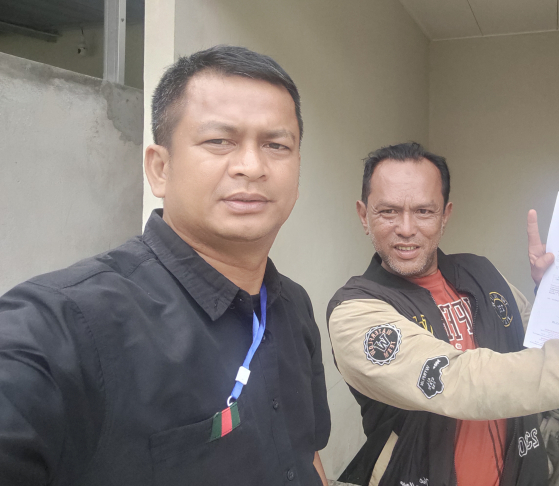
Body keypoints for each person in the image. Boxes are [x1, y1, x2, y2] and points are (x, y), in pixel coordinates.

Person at [0, 46, 330, 485]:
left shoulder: (294, 306)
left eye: (276, 145)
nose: (252, 166)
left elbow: (307, 453)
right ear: (159, 168)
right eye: (219, 141)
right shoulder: (60, 326)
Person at [327, 142, 559, 486]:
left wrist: (557, 294)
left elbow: (537, 342)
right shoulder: (355, 312)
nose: (406, 228)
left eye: (424, 211)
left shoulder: (481, 272)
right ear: (364, 215)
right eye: (388, 211)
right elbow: (459, 381)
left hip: (523, 472)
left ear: (445, 215)